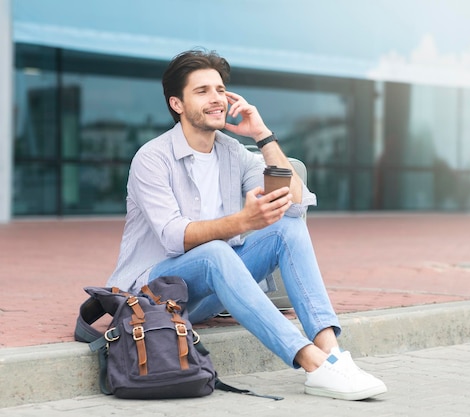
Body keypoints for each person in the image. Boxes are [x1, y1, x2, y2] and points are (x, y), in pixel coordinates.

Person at [106, 49, 387, 401]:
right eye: (202, 91)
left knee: (288, 229)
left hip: (205, 292)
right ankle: (313, 364)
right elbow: (174, 236)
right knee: (215, 252)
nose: (216, 99)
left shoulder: (232, 151)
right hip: (153, 294)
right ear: (177, 104)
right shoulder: (152, 158)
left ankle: (333, 354)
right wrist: (242, 221)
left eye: (220, 89)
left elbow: (296, 203)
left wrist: (263, 135)